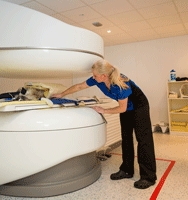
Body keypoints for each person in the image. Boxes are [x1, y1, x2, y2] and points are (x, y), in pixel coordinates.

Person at [51, 59, 157, 189]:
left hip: (139, 106)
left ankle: (148, 177)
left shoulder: (121, 83)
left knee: (143, 140)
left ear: (104, 76)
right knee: (126, 138)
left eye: (95, 75)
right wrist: (62, 94)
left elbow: (122, 108)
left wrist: (104, 110)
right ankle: (127, 170)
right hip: (126, 108)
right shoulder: (98, 79)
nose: (93, 77)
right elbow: (79, 86)